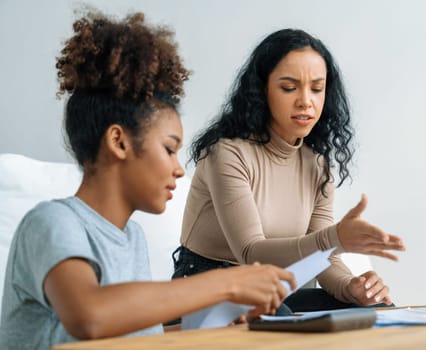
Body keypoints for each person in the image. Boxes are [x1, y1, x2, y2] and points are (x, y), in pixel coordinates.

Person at [0, 11, 296, 350]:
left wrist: (214, 322)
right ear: (119, 142)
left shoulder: (132, 238)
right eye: (169, 149)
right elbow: (89, 316)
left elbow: (135, 337)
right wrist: (227, 282)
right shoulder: (51, 222)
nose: (179, 168)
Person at [172, 28, 405, 312]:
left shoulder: (318, 165)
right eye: (289, 88)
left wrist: (352, 288)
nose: (306, 101)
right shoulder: (227, 153)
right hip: (209, 287)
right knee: (279, 317)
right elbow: (250, 253)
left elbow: (323, 258)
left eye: (317, 89)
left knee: (377, 307)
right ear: (262, 90)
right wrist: (335, 239)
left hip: (280, 291)